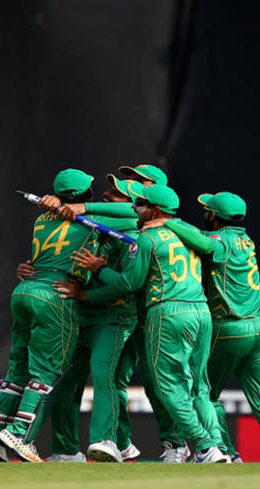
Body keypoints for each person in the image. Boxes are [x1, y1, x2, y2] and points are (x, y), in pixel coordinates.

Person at [59, 184, 230, 463]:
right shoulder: (190, 233)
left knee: (168, 388)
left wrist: (98, 270)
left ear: (156, 210)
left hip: (168, 312)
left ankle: (205, 447)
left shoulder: (148, 239)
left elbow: (129, 283)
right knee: (199, 387)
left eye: (140, 203)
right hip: (201, 312)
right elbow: (212, 247)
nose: (134, 208)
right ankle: (218, 447)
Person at [0, 169, 136, 463]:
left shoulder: (42, 218)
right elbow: (133, 212)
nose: (97, 192)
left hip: (25, 290)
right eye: (91, 190)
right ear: (84, 196)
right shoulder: (95, 221)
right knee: (46, 371)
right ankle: (17, 431)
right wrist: (84, 211)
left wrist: (73, 207)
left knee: (18, 366)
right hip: (56, 295)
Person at [150, 191, 260, 463]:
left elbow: (208, 246)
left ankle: (224, 451)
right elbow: (203, 240)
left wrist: (167, 222)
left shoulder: (220, 240)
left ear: (214, 216)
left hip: (230, 328)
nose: (204, 214)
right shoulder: (245, 239)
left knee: (205, 392)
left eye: (207, 210)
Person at [72, 165, 191, 462]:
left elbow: (126, 281)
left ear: (153, 191)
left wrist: (78, 207)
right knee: (114, 379)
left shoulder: (151, 223)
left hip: (152, 315)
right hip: (125, 314)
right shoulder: (129, 221)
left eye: (138, 182)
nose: (130, 185)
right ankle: (119, 442)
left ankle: (176, 444)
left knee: (156, 382)